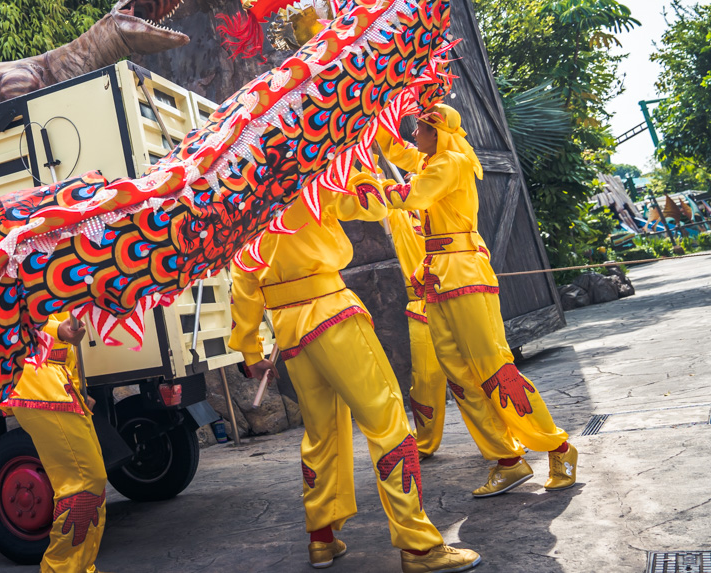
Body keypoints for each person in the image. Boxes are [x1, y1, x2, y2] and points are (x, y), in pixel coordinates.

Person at [230, 170, 481, 573]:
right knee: (387, 421)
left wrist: (250, 352)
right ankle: (419, 547)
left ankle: (322, 538)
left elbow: (242, 288)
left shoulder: (242, 213)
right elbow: (372, 203)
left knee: (321, 433)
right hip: (331, 314)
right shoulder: (309, 184)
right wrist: (358, 169)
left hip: (288, 333)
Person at [379, 104, 577, 497]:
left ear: (437, 133)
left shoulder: (449, 162)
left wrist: (366, 184)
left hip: (463, 272)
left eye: (419, 128)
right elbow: (396, 151)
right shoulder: (432, 158)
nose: (413, 134)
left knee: (493, 368)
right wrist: (374, 119)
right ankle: (508, 459)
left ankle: (559, 446)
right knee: (460, 375)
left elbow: (411, 195)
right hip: (438, 274)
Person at [5, 312, 107, 573]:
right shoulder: (11, 270)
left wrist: (75, 385)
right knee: (83, 485)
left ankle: (81, 568)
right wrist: (56, 330)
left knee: (91, 484)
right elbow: (0, 308)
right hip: (36, 380)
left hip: (56, 382)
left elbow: (64, 345)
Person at [386, 208, 447, 458]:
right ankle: (424, 442)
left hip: (461, 294)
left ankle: (504, 440)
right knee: (426, 378)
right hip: (422, 302)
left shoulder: (448, 203)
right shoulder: (397, 212)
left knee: (479, 372)